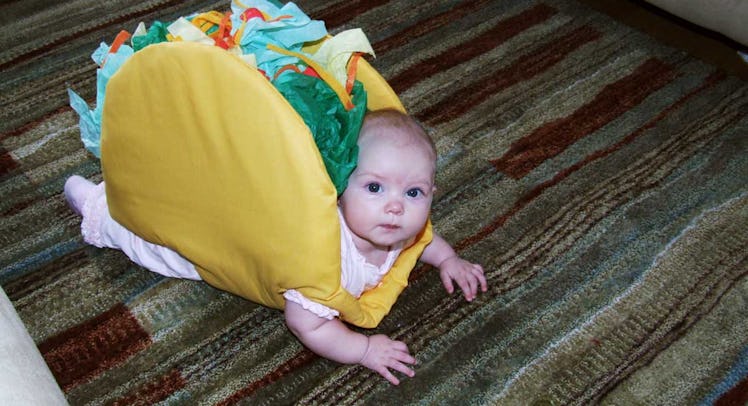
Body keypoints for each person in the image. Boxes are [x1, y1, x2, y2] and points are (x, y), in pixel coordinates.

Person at [64, 109, 487, 385]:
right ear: (340, 185)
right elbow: (307, 324)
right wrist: (362, 348)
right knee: (173, 245)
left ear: (433, 192)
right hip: (234, 240)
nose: (395, 207)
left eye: (414, 193)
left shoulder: (397, 227)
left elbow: (420, 241)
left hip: (258, 211)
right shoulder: (322, 259)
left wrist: (449, 258)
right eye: (374, 186)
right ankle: (99, 206)